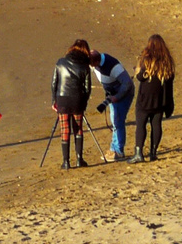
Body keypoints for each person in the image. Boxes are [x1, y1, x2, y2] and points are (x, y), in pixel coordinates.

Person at [86, 42, 136, 162]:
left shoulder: (113, 66)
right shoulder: (95, 63)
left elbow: (127, 83)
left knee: (118, 120)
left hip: (123, 94)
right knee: (115, 121)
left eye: (92, 65)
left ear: (96, 63)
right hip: (112, 93)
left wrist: (117, 97)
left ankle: (118, 151)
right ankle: (114, 148)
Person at [129, 34, 175, 162]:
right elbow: (170, 82)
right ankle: (153, 153)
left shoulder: (147, 59)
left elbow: (140, 77)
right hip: (160, 99)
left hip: (145, 98)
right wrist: (169, 103)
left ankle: (139, 153)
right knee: (156, 125)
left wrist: (137, 70)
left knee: (141, 124)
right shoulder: (167, 62)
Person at [52, 40, 94, 168]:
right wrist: (84, 102)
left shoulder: (60, 62)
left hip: (62, 99)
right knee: (78, 128)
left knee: (65, 129)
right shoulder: (85, 66)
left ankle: (66, 162)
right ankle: (79, 159)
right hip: (77, 100)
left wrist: (54, 100)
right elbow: (87, 88)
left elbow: (54, 83)